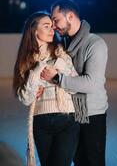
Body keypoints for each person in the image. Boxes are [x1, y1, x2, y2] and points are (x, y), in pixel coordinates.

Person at [40, 0, 108, 166]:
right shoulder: (61, 46)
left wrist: (56, 79)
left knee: (93, 162)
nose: (54, 26)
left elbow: (92, 83)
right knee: (78, 162)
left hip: (92, 115)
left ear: (70, 16)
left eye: (56, 20)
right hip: (70, 114)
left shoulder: (95, 43)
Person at [13, 11, 80, 166]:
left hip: (66, 119)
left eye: (52, 26)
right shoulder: (26, 62)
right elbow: (25, 98)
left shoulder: (61, 55)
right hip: (41, 122)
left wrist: (57, 74)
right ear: (34, 30)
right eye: (46, 26)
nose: (52, 29)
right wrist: (36, 73)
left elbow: (75, 86)